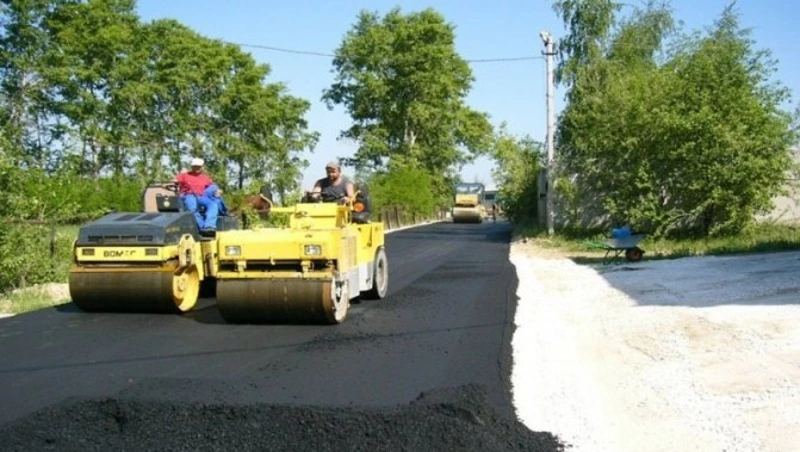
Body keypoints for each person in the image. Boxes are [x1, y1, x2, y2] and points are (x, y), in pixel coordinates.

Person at [174, 157, 222, 233]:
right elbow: (174, 181)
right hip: (188, 195)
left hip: (201, 196)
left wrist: (217, 190)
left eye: (199, 166)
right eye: (195, 166)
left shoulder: (205, 177)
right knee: (193, 208)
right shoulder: (184, 175)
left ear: (202, 167)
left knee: (213, 205)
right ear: (191, 167)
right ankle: (202, 227)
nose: (197, 168)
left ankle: (210, 226)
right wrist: (174, 182)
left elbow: (212, 186)